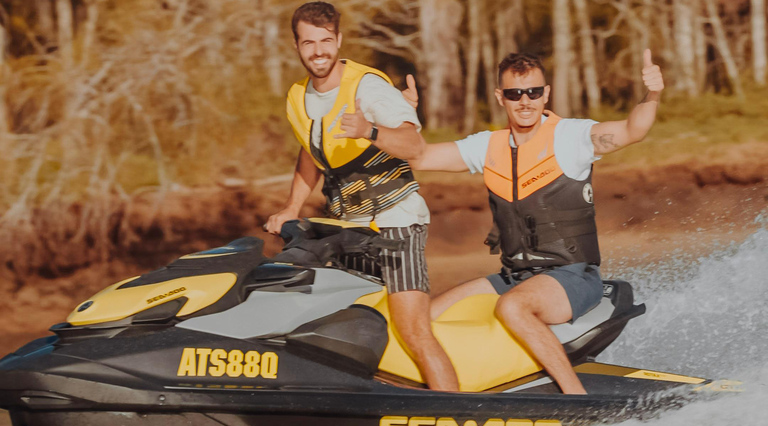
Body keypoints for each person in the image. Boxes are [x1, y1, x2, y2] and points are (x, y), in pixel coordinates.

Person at [408, 50, 664, 394]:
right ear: (501, 97)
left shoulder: (571, 137)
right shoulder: (487, 146)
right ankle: (447, 395)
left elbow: (634, 130)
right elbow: (420, 155)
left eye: (533, 92)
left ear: (546, 93)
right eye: (514, 93)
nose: (524, 101)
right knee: (424, 316)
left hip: (571, 274)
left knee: (514, 307)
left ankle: (575, 397)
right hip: (513, 275)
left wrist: (653, 94)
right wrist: (404, 118)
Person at [264, 2, 459, 391]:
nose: (318, 50)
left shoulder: (367, 87)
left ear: (337, 40)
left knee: (412, 331)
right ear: (296, 45)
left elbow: (413, 143)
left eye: (325, 40)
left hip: (395, 224)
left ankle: (456, 418)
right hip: (347, 227)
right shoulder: (297, 97)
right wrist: (291, 207)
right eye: (308, 42)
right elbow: (310, 153)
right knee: (346, 328)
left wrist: (369, 130)